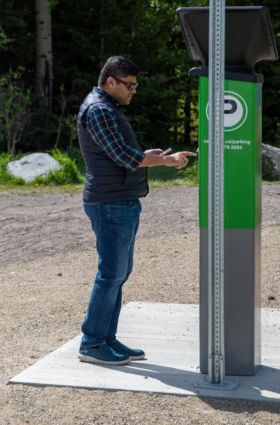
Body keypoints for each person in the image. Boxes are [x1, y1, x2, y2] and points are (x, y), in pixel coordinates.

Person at [76, 55, 196, 365]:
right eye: (130, 85)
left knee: (119, 273)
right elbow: (121, 156)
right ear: (111, 82)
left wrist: (147, 155)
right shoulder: (99, 109)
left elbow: (123, 154)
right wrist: (164, 160)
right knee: (110, 273)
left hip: (120, 200)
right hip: (110, 202)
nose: (134, 91)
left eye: (136, 85)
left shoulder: (107, 108)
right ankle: (92, 343)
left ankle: (106, 338)